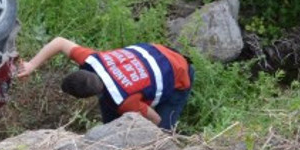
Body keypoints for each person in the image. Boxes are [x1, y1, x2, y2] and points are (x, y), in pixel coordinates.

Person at [17, 36, 195, 130]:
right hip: (156, 51)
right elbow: (60, 42)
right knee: (110, 115)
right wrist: (31, 65)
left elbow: (155, 119)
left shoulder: (126, 101)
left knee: (162, 132)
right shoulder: (92, 60)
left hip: (179, 72)